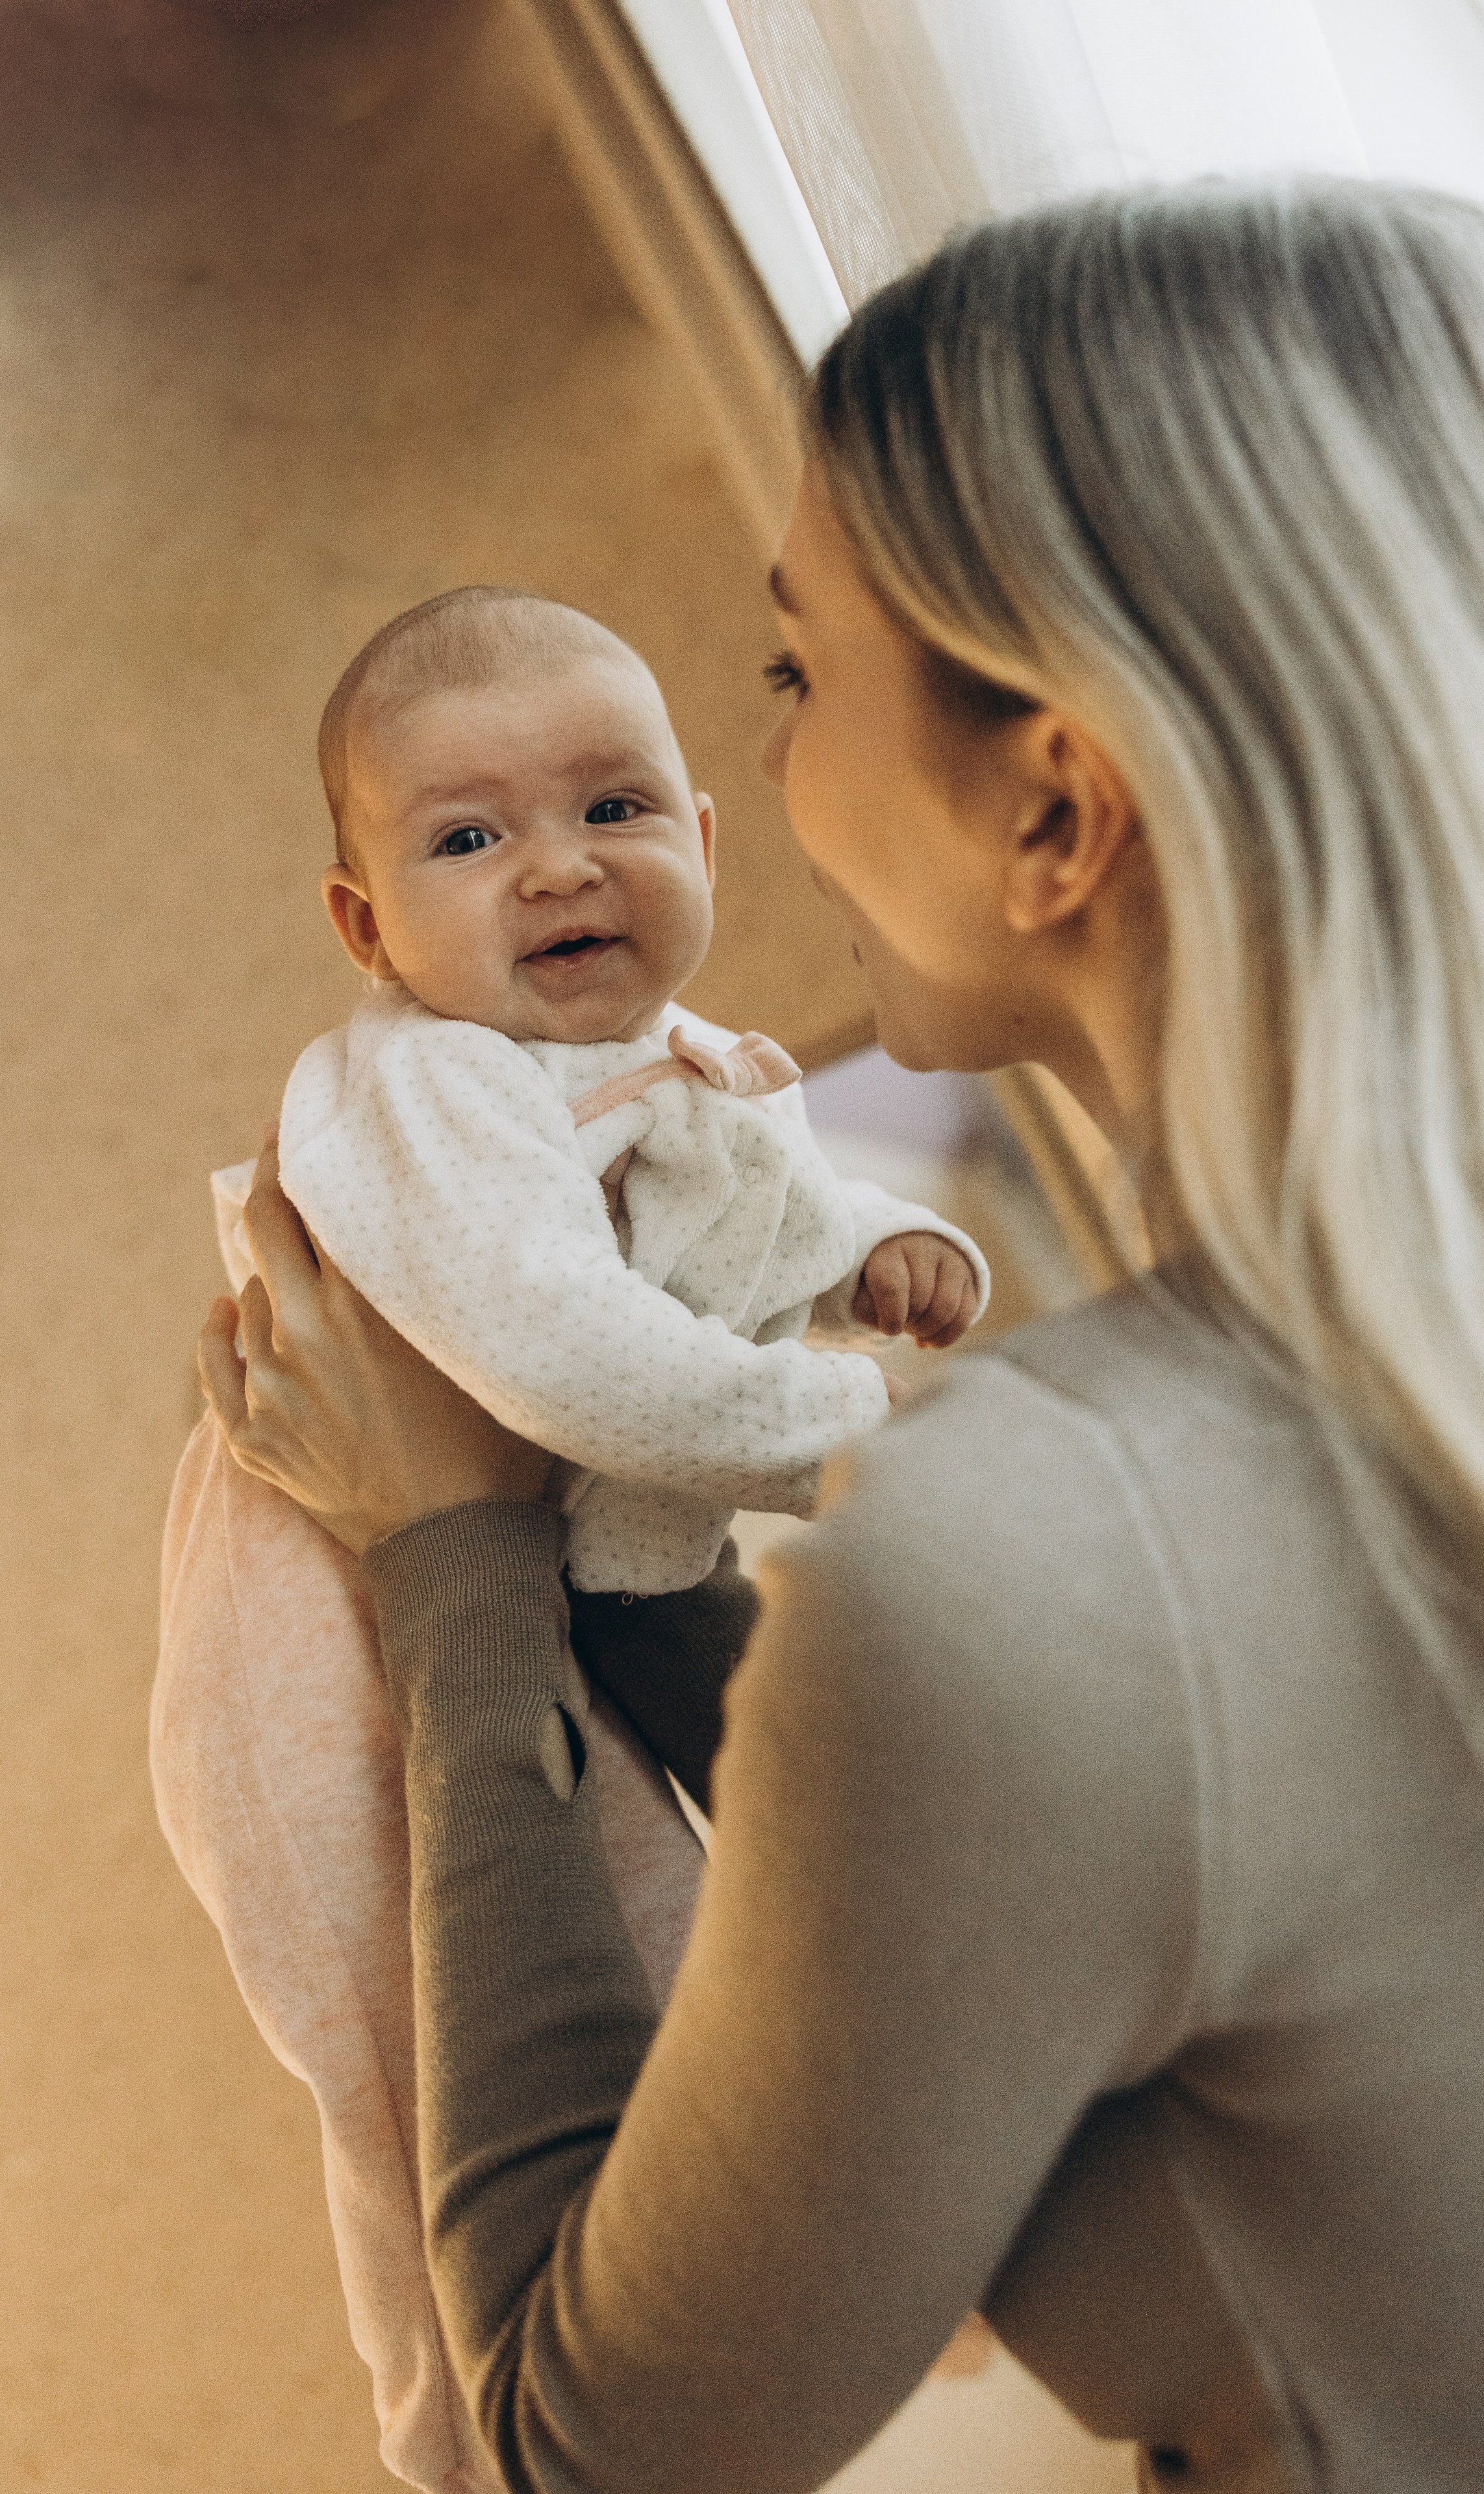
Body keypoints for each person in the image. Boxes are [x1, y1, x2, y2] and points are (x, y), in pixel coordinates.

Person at [196, 183, 1484, 2493]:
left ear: (1056, 805)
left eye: (792, 678)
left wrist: (455, 1560)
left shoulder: (1044, 1539)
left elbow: (592, 2447)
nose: (750, 789)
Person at [152, 588, 985, 2494]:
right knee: (410, 2058)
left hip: (518, 1573)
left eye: (611, 809)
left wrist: (869, 1252)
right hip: (323, 1635)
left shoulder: (674, 1056)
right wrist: (840, 1409)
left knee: (700, 1959)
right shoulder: (423, 1081)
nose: (553, 871)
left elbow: (758, 1205)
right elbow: (566, 1358)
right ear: (367, 929)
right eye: (467, 839)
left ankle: (829, 2261)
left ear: (702, 839)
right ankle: (452, 2433)